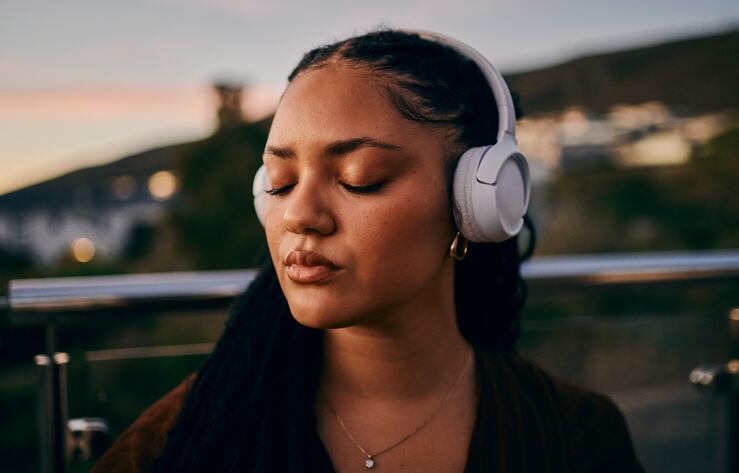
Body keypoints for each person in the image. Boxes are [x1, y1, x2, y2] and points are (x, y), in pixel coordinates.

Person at [92, 29, 644, 472]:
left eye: (360, 179)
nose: (299, 215)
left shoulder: (573, 437)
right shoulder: (178, 440)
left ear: (477, 200)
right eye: (280, 182)